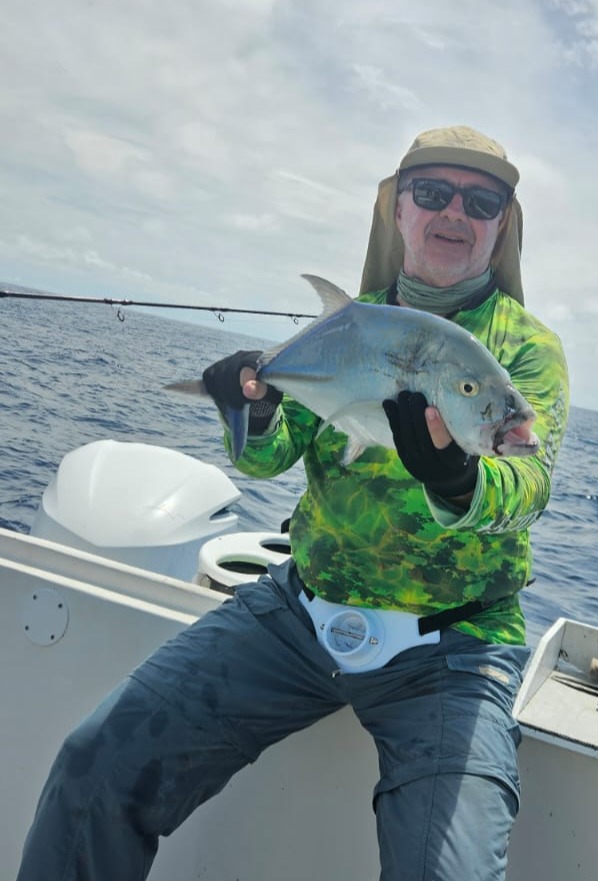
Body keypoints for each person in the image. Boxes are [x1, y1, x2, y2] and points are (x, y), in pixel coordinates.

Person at [16, 125, 569, 880]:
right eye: (432, 193)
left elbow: (528, 484)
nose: (454, 213)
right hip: (297, 612)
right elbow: (269, 456)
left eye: (481, 200)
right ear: (398, 210)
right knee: (94, 767)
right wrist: (247, 405)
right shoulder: (349, 327)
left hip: (453, 647)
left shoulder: (524, 347)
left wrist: (456, 479)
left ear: (502, 223)